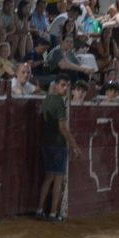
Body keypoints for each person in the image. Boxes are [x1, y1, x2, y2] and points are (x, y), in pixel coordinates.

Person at [35, 75, 81, 223]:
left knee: (48, 178)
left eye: (67, 85)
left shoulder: (47, 99)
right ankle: (53, 213)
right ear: (55, 85)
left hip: (46, 143)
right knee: (58, 180)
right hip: (58, 145)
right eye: (63, 85)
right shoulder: (59, 102)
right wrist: (74, 145)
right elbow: (62, 127)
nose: (65, 88)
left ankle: (40, 209)